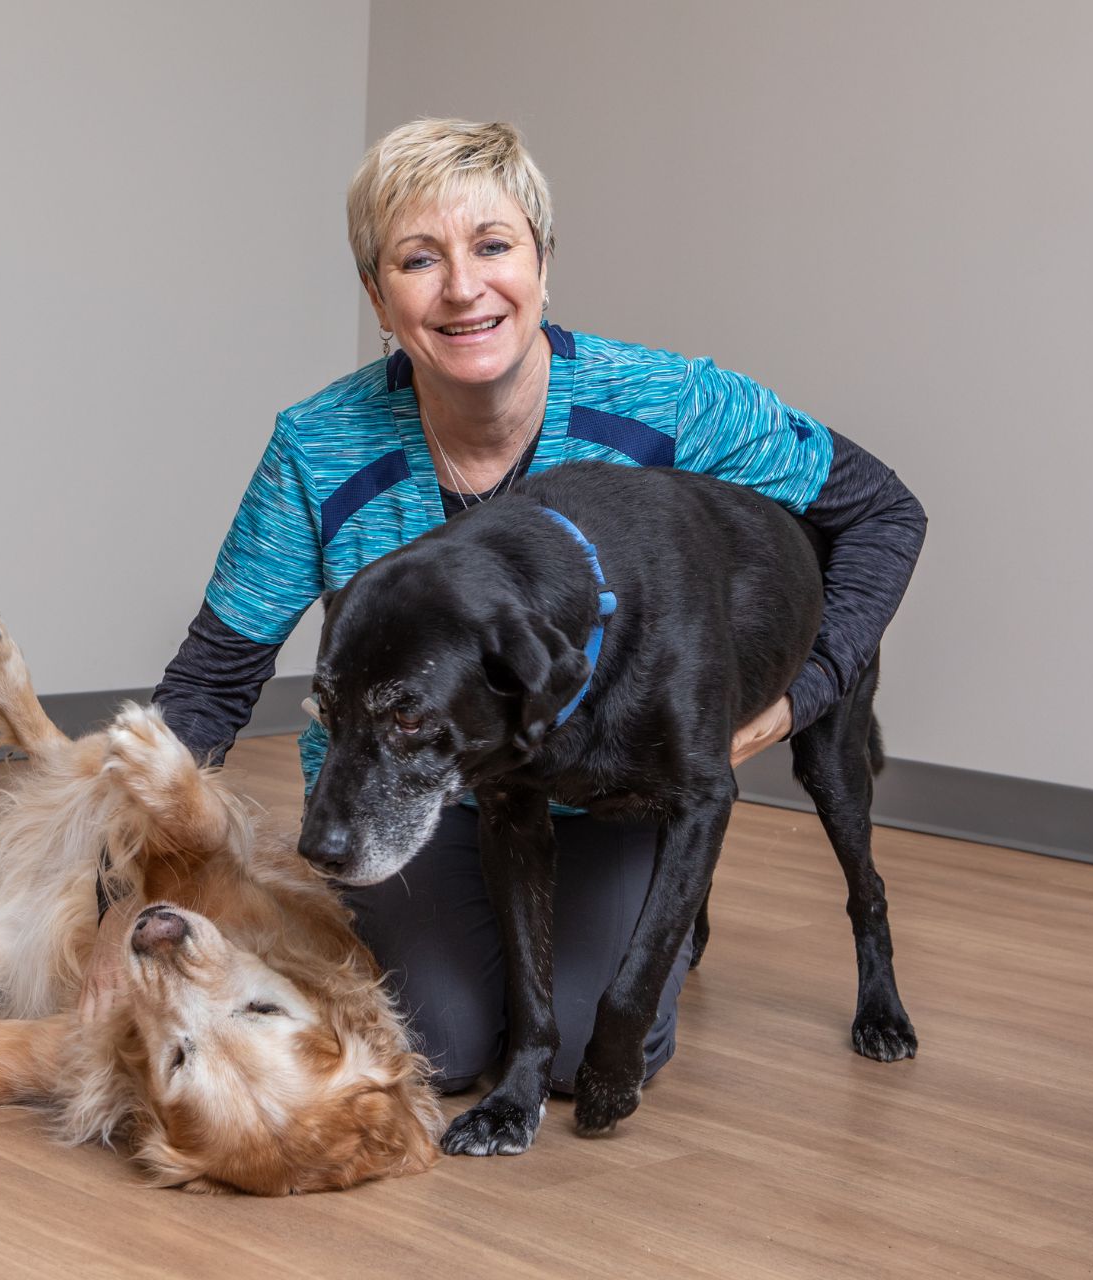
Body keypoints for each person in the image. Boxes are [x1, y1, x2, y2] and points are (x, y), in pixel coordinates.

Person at [152, 119, 924, 1096]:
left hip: (608, 786)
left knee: (576, 1061)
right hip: (404, 788)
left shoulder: (669, 402)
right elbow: (212, 680)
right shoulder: (317, 445)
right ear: (377, 296)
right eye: (418, 259)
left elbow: (885, 514)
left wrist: (807, 692)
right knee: (445, 1047)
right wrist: (118, 865)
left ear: (543, 262)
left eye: (493, 246)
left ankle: (662, 916)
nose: (464, 288)